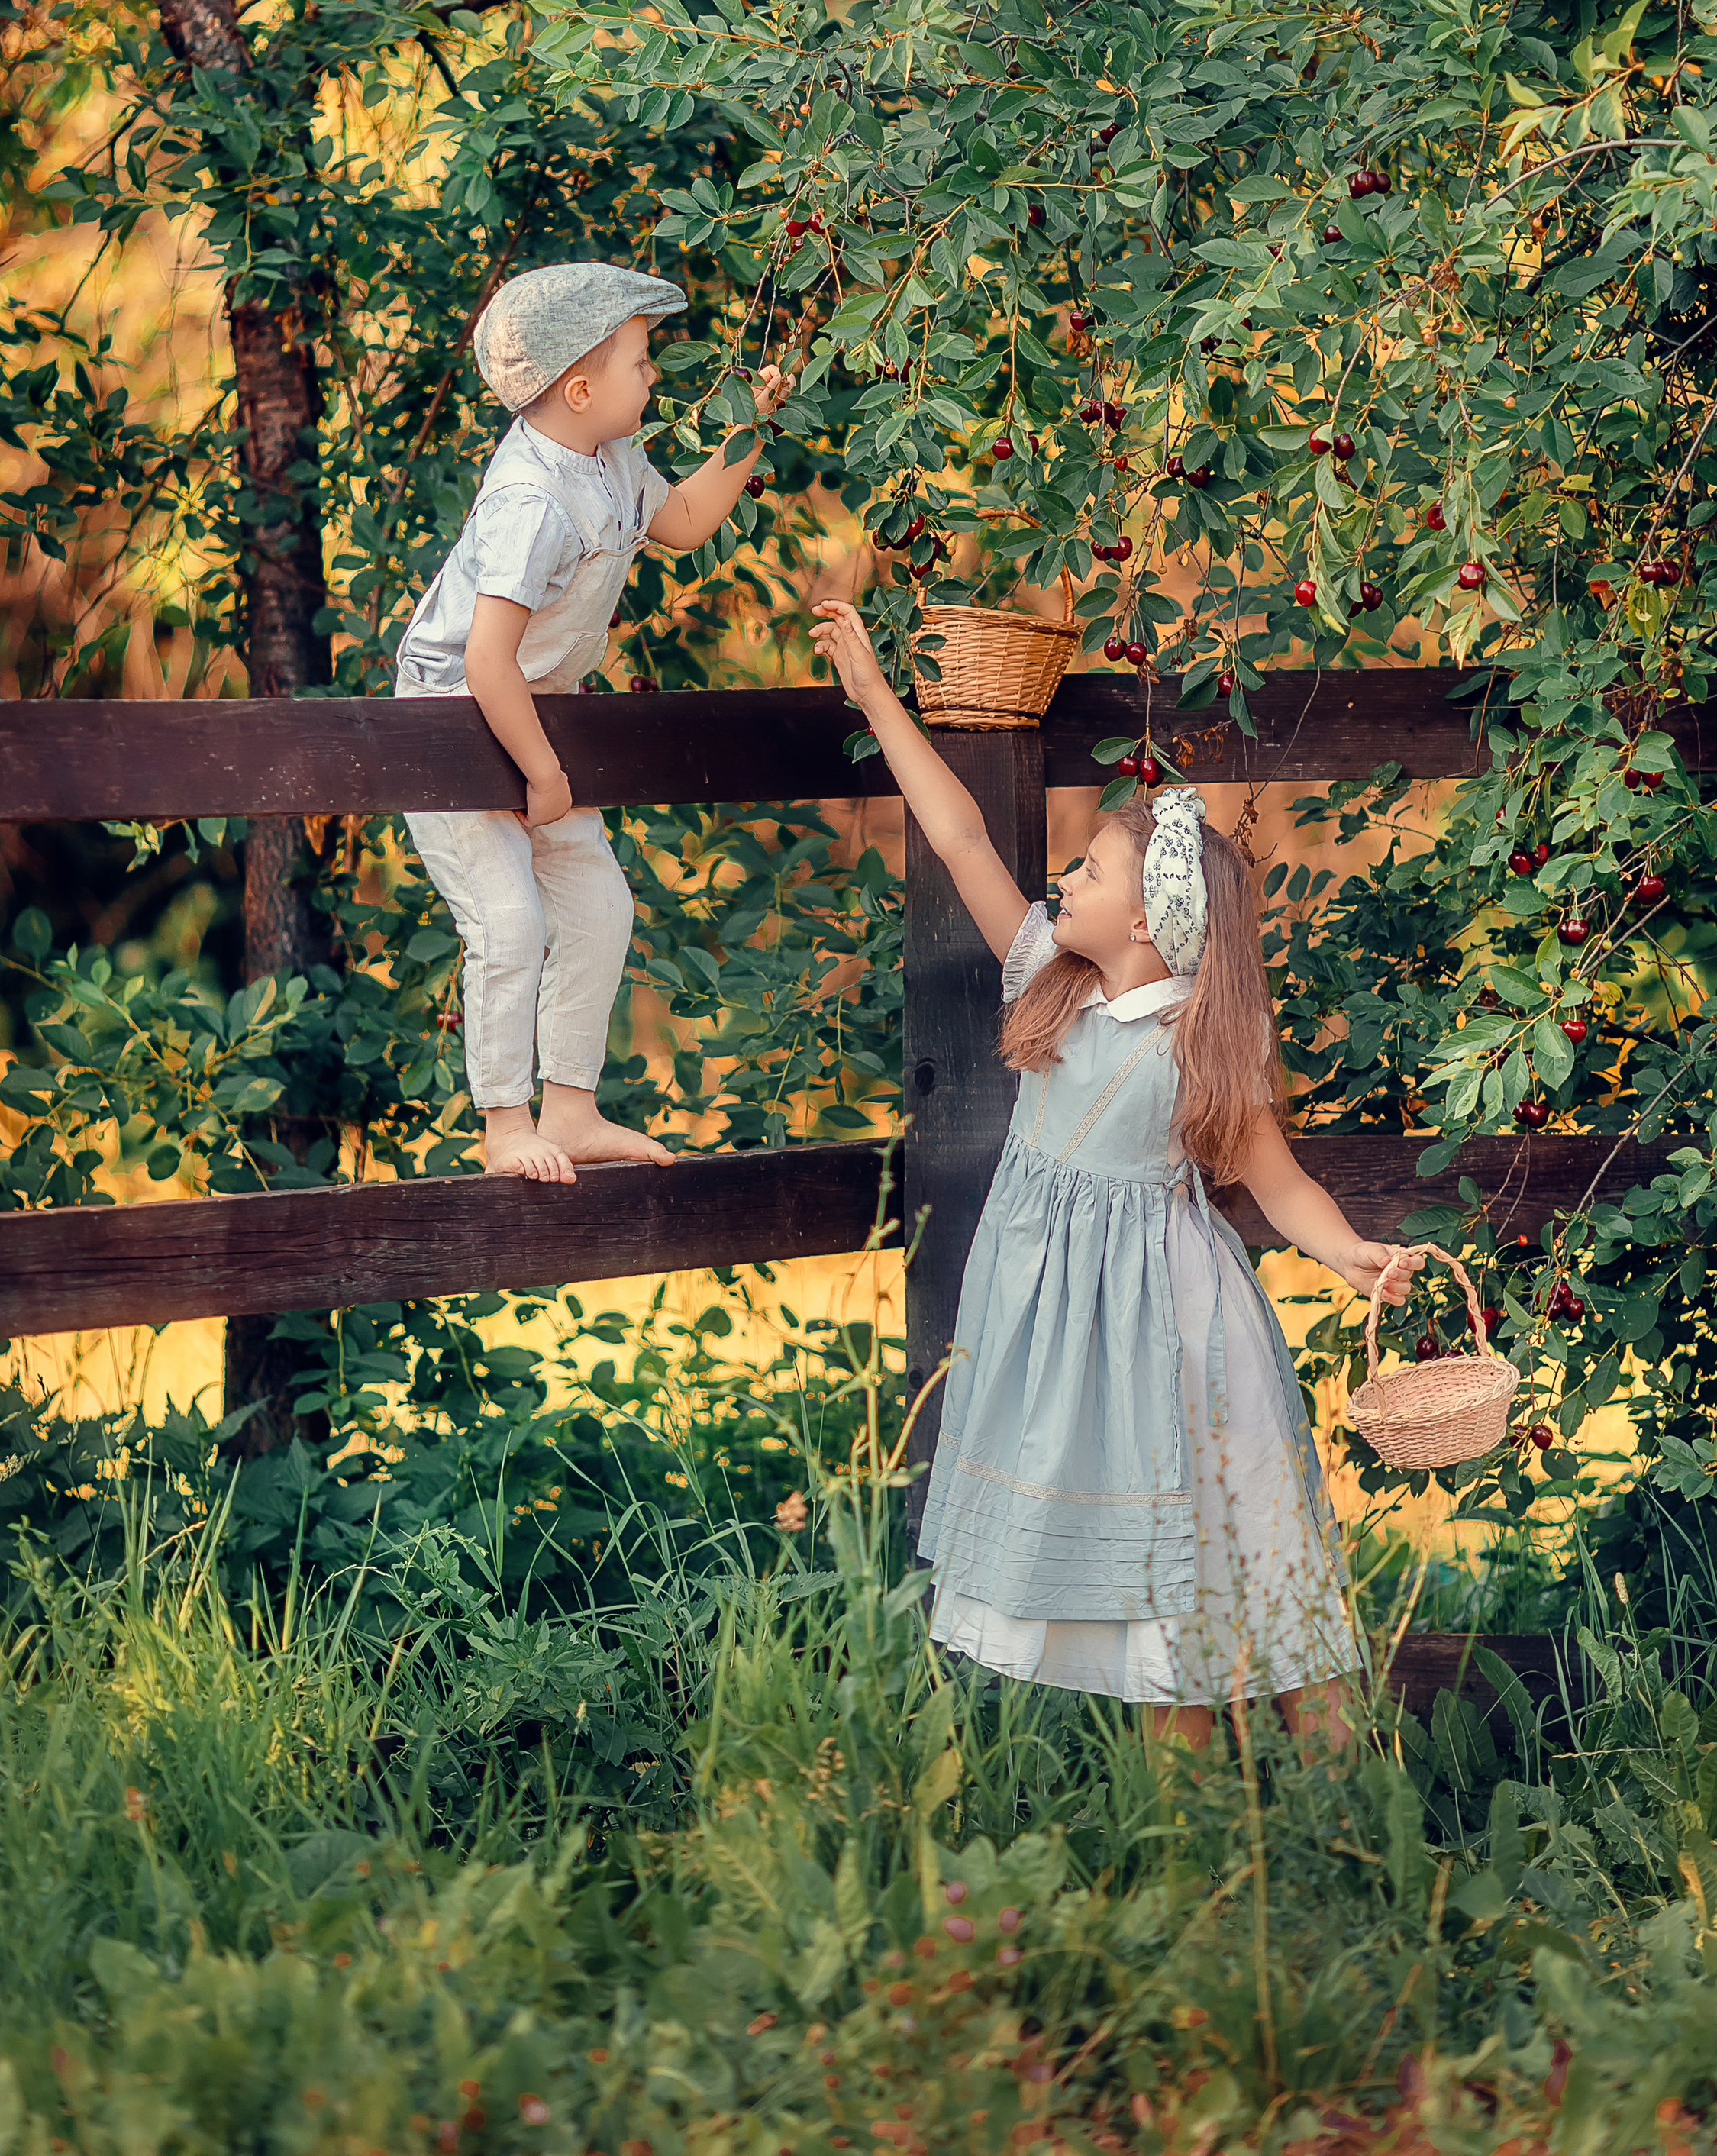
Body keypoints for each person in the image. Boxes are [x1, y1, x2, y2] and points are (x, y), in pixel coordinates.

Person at [809, 595, 1418, 1752]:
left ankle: (1358, 1828)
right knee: (1153, 1613)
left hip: (1176, 1331)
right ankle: (1193, 1863)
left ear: (1148, 919)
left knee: (1253, 1555)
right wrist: (880, 698)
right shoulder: (1052, 979)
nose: (1061, 886)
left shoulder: (1195, 1039)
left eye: (1086, 872)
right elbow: (959, 839)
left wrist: (1344, 1255)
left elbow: (1275, 1181)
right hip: (1067, 1333)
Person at [397, 263, 787, 1183]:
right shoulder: (531, 499)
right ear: (579, 389)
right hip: (453, 718)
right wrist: (540, 772)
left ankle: (570, 1109)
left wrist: (752, 428)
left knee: (600, 906)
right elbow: (486, 660)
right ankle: (505, 1122)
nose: (652, 378)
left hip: (539, 716)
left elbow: (686, 520)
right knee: (509, 918)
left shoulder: (610, 460)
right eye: (640, 362)